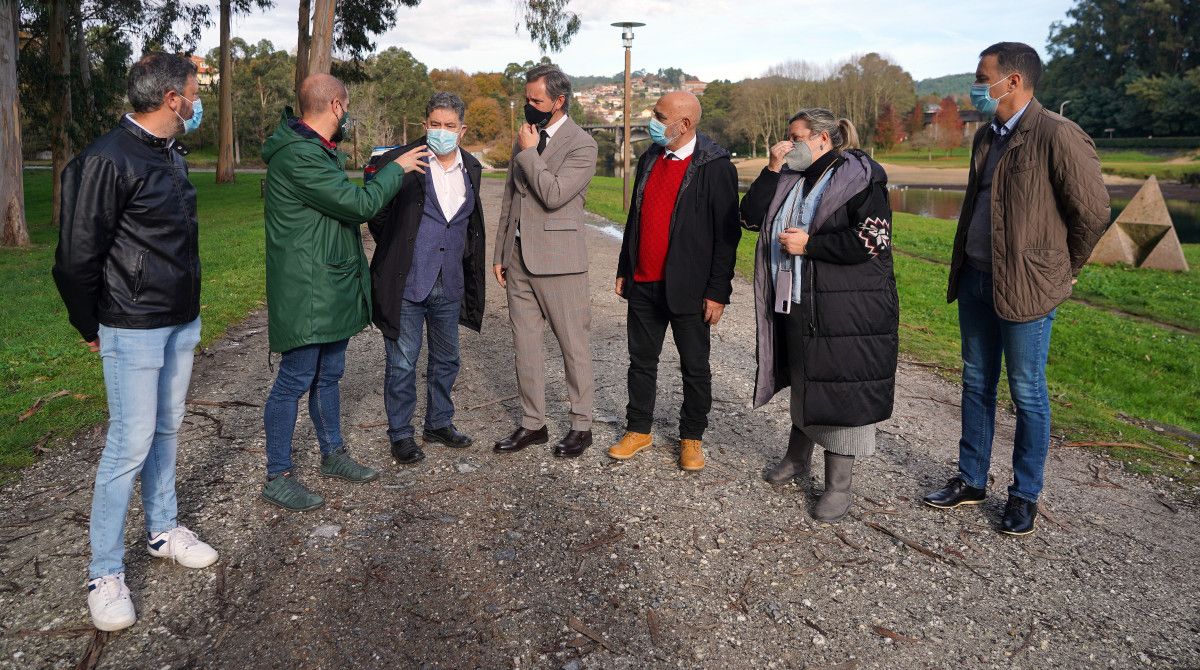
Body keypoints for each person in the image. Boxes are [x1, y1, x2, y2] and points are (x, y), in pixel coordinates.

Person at [52, 53, 218, 631]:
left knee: (167, 428)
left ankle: (163, 529)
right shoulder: (105, 159)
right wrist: (90, 326)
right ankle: (104, 571)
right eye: (193, 92)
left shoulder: (170, 153)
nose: (197, 100)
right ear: (173, 98)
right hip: (131, 326)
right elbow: (75, 259)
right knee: (130, 443)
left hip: (179, 320)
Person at [922, 42, 1110, 536]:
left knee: (1027, 393)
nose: (977, 86)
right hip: (976, 279)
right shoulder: (986, 135)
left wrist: (1064, 269)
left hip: (1028, 287)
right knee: (976, 383)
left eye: (983, 77)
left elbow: (1092, 213)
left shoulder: (1057, 134)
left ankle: (1025, 494)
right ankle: (971, 479)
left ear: (1014, 81)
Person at [259, 73, 429, 511]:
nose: (348, 113)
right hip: (307, 289)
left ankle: (332, 453)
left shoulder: (317, 151)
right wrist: (396, 169)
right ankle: (277, 475)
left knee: (329, 374)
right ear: (336, 106)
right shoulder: (299, 156)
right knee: (293, 380)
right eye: (347, 105)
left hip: (327, 284)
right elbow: (358, 205)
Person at [740, 109, 898, 523]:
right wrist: (772, 168)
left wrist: (810, 245)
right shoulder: (792, 177)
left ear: (823, 139)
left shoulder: (861, 177)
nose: (788, 145)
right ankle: (797, 459)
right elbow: (749, 218)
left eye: (795, 138)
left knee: (841, 388)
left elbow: (874, 239)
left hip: (846, 307)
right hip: (797, 299)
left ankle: (838, 487)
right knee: (805, 379)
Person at [609, 91, 741, 471]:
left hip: (691, 289)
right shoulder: (650, 157)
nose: (652, 119)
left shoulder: (715, 167)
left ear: (683, 125)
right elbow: (634, 219)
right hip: (644, 282)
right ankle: (639, 429)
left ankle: (691, 438)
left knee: (695, 367)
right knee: (641, 361)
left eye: (659, 115)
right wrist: (624, 267)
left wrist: (718, 292)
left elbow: (726, 237)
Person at [365, 92, 486, 465]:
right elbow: (377, 215)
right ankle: (400, 434)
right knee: (402, 361)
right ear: (425, 125)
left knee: (447, 359)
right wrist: (401, 251)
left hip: (448, 282)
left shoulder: (471, 167)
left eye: (450, 126)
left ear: (462, 130)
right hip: (408, 282)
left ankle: (438, 423)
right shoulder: (399, 162)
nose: (441, 131)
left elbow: (468, 226)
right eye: (435, 124)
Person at [492, 64, 599, 458]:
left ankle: (582, 426)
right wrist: (502, 251)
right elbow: (511, 198)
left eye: (537, 101)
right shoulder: (526, 137)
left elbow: (554, 195)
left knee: (574, 347)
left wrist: (527, 154)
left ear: (559, 101)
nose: (529, 106)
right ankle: (532, 423)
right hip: (519, 259)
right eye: (527, 99)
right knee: (525, 345)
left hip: (561, 263)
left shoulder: (582, 145)